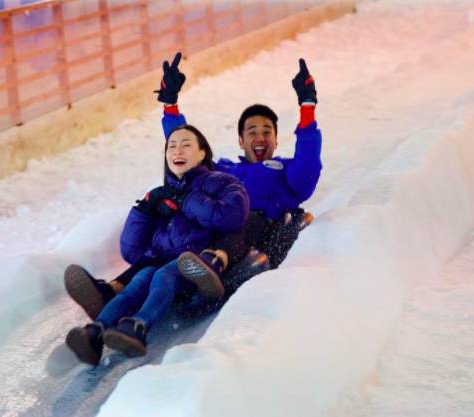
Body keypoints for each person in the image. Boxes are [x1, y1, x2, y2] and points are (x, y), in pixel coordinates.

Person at [64, 52, 322, 319]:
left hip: (247, 227)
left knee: (240, 221)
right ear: (240, 141)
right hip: (204, 227)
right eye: (252, 131)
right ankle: (113, 289)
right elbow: (186, 154)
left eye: (267, 131)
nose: (260, 136)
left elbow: (308, 166)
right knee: (170, 234)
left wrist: (307, 108)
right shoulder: (223, 169)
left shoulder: (284, 172)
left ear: (276, 141)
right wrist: (170, 106)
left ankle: (204, 271)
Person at [66, 124, 249, 365]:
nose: (177, 151)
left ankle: (139, 326)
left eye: (186, 145)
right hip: (159, 257)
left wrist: (185, 200)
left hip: (193, 259)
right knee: (139, 282)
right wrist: (144, 210)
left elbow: (234, 215)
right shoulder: (162, 191)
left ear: (202, 153)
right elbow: (132, 250)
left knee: (164, 276)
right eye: (171, 146)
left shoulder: (222, 182)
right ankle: (95, 333)